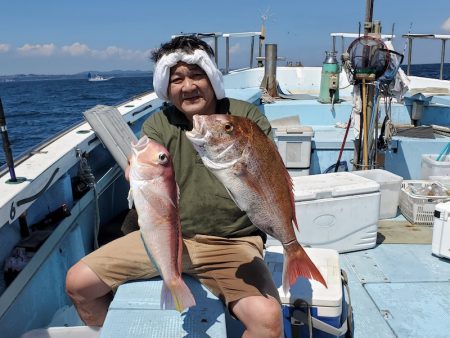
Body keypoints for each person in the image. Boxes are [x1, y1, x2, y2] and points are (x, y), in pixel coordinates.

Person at [66, 35, 283, 338]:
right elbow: (148, 170)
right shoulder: (158, 125)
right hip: (167, 238)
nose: (188, 86)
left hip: (231, 243)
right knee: (78, 283)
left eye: (197, 75)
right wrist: (137, 172)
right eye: (177, 79)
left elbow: (269, 175)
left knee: (268, 321)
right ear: (166, 87)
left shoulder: (244, 119)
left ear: (213, 77)